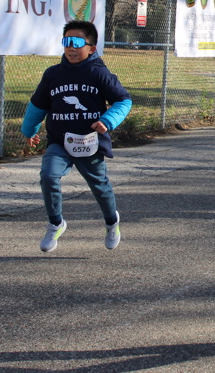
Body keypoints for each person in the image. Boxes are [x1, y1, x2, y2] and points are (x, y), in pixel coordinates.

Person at [21, 20, 133, 253]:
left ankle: (112, 222)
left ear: (91, 48)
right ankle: (55, 223)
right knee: (48, 176)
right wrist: (29, 131)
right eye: (67, 42)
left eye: (77, 42)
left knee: (100, 187)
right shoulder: (53, 74)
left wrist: (107, 121)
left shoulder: (98, 73)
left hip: (89, 141)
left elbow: (123, 100)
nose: (71, 47)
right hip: (59, 141)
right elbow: (38, 105)